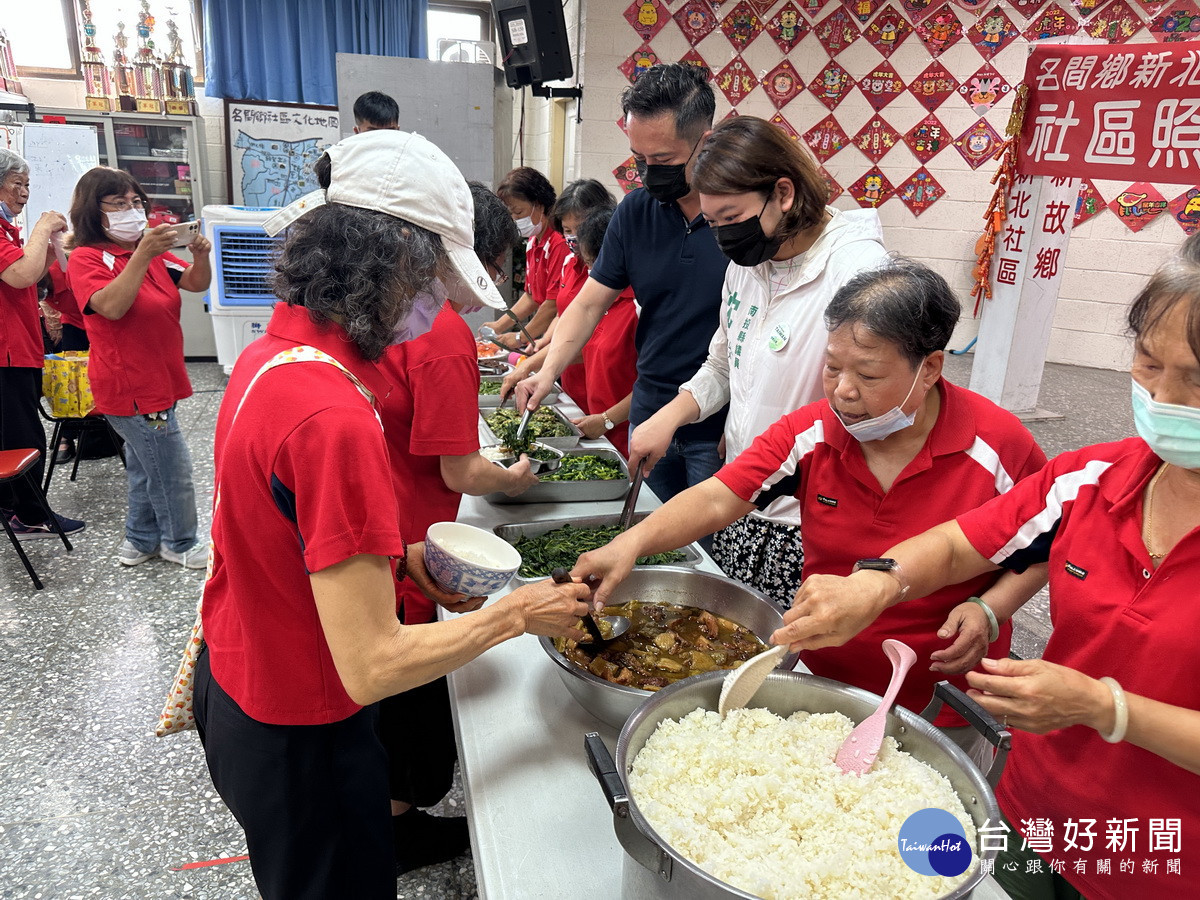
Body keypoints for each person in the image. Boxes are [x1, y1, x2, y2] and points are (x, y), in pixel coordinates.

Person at [193, 129, 591, 900]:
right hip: (302, 725)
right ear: (387, 271)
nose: (440, 308)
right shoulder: (333, 414)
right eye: (435, 283)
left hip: (239, 680)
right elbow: (372, 665)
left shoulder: (268, 357)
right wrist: (517, 617)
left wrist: (396, 556)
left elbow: (280, 529)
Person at [769, 235, 1200, 898]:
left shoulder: (992, 439)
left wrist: (1104, 707)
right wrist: (874, 584)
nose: (1164, 398)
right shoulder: (1094, 478)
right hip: (1035, 817)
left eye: (1196, 379)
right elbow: (957, 545)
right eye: (1147, 363)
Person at [575, 261, 1047, 766]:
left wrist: (990, 610)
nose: (843, 390)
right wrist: (630, 543)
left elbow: (1043, 548)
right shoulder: (812, 433)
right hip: (821, 684)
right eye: (832, 367)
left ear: (929, 369)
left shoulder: (998, 448)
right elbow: (718, 497)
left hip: (940, 698)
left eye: (868, 374)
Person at [630, 116, 889, 605]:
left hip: (812, 522)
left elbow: (872, 409)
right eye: (713, 222)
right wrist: (668, 417)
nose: (724, 236)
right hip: (742, 503)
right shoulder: (748, 267)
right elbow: (723, 366)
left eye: (731, 217)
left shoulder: (857, 272)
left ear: (784, 193)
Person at [375, 181, 536, 871]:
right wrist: (516, 477)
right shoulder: (442, 336)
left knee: (393, 711)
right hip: (412, 547)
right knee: (410, 709)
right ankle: (401, 828)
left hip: (387, 524)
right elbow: (458, 473)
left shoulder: (389, 316)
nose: (490, 289)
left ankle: (393, 813)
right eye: (491, 270)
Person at [513, 63, 729, 505]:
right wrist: (548, 370)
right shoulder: (635, 213)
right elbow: (588, 304)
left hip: (719, 424)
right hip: (648, 408)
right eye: (639, 159)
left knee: (707, 551)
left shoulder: (738, 219)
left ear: (705, 142)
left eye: (664, 160)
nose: (649, 173)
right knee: (646, 534)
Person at [66, 167, 210, 567]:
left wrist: (199, 257)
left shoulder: (151, 254)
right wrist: (143, 255)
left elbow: (196, 284)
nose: (132, 211)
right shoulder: (86, 258)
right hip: (134, 390)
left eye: (136, 203)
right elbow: (110, 306)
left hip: (161, 380)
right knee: (170, 466)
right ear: (94, 211)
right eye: (119, 204)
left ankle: (141, 539)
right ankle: (180, 543)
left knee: (146, 464)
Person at [0, 148, 86, 539]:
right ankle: (31, 514)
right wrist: (40, 229)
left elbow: (41, 283)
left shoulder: (8, 230)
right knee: (24, 437)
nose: (24, 193)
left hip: (18, 346)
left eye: (27, 185)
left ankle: (9, 508)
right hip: (7, 353)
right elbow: (20, 275)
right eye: (16, 184)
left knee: (12, 434)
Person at [482, 167, 568, 348]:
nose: (514, 220)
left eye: (519, 213)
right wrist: (499, 326)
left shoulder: (559, 242)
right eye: (510, 215)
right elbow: (532, 297)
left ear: (539, 205)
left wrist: (522, 336)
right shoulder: (533, 241)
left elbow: (553, 303)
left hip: (565, 332)